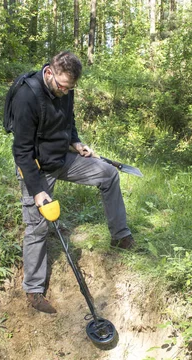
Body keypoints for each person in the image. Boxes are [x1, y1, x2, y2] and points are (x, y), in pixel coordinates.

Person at [11, 50, 135, 314]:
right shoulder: (27, 96)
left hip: (62, 158)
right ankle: (33, 290)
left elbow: (69, 120)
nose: (65, 92)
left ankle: (120, 236)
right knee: (37, 225)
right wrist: (37, 191)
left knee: (108, 173)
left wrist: (76, 142)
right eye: (62, 87)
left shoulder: (65, 90)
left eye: (70, 88)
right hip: (36, 168)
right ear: (49, 73)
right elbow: (21, 151)